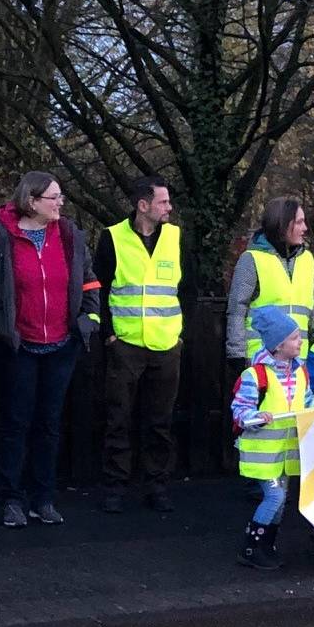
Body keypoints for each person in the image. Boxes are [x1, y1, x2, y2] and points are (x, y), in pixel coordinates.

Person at [0, 172, 100, 529]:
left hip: (61, 344)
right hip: (18, 346)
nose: (60, 204)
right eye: (54, 197)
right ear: (32, 201)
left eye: (61, 197)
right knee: (15, 423)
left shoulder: (71, 235)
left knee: (49, 424)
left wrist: (89, 318)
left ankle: (43, 498)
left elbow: (89, 279)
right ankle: (11, 498)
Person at [95, 176, 184, 515]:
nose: (169, 208)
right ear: (142, 205)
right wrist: (109, 335)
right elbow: (100, 288)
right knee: (118, 418)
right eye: (163, 202)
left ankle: (157, 486)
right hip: (126, 343)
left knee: (160, 421)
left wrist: (179, 333)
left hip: (165, 343)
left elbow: (186, 288)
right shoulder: (113, 237)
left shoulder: (175, 238)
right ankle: (115, 487)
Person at [230, 306, 314, 570]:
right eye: (293, 338)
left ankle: (266, 545)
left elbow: (306, 400)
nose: (300, 341)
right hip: (262, 453)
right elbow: (240, 410)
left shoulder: (300, 372)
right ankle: (250, 547)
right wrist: (256, 417)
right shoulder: (255, 375)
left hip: (287, 451)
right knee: (275, 498)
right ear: (278, 345)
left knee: (281, 501)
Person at [226, 198, 314, 362]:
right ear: (282, 225)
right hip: (262, 360)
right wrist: (237, 354)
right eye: (299, 222)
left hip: (299, 362)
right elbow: (237, 310)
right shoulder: (251, 259)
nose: (305, 228)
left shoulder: (307, 260)